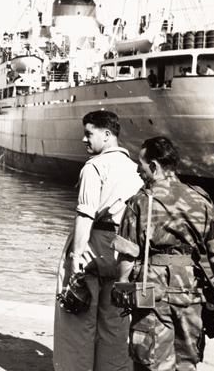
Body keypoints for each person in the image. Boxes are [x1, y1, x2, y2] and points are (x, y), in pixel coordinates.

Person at [113, 137, 214, 370]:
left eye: (140, 164)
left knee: (151, 360)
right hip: (191, 289)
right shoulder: (201, 199)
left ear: (154, 166)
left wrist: (121, 286)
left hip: (151, 290)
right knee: (186, 361)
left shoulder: (141, 201)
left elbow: (128, 255)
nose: (138, 169)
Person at [53, 110, 142, 371]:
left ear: (107, 134)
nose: (84, 139)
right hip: (123, 249)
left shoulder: (94, 167)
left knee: (77, 318)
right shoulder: (135, 169)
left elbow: (85, 215)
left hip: (93, 246)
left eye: (89, 133)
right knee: (115, 322)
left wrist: (74, 257)